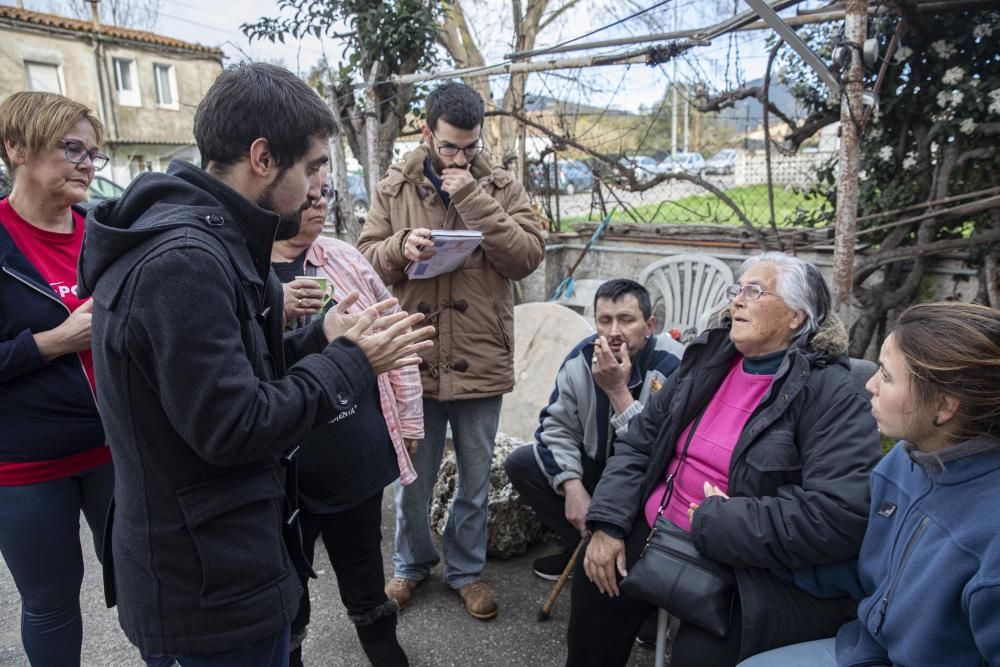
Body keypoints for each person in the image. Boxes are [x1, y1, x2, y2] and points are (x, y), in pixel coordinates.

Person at [78, 62, 433, 665]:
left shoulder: (209, 240)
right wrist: (351, 362)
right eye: (313, 165)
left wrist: (321, 335)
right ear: (263, 158)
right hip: (206, 591)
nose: (318, 187)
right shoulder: (183, 263)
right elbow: (233, 424)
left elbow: (230, 377)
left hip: (220, 565)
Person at [566, 251, 882, 667]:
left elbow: (839, 514)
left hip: (746, 561)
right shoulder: (708, 362)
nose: (736, 300)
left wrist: (722, 521)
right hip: (658, 526)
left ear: (797, 317)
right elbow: (640, 444)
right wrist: (607, 523)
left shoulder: (831, 394)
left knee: (700, 654)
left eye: (755, 291)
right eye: (737, 289)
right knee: (594, 588)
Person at [358, 80, 545, 620]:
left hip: (481, 353)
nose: (460, 156)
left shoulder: (501, 186)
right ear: (426, 132)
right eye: (449, 147)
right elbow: (365, 257)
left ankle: (466, 572)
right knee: (411, 476)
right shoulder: (394, 188)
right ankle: (411, 565)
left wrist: (470, 194)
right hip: (413, 351)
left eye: (470, 146)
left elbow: (527, 256)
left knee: (475, 476)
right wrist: (399, 246)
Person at [738, 302, 1000, 667]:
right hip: (864, 648)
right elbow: (864, 567)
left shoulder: (990, 541)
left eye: (887, 376)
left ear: (943, 406)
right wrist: (742, 545)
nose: (870, 385)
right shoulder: (904, 462)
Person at [271, 176, 421, 666]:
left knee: (365, 580)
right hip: (285, 475)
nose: (318, 207)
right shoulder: (242, 269)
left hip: (357, 458)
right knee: (286, 595)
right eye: (308, 196)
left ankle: (386, 652)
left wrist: (409, 421)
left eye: (326, 195)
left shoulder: (342, 258)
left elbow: (396, 336)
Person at [0, 91, 114, 666]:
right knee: (50, 604)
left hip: (114, 449)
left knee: (152, 583)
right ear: (15, 147)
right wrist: (53, 343)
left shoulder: (104, 232)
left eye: (94, 153)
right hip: (25, 467)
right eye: (72, 148)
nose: (87, 163)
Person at [504, 279, 681, 580]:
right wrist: (572, 487)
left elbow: (661, 450)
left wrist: (617, 391)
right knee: (522, 463)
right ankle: (581, 548)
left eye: (626, 320)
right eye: (605, 320)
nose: (613, 332)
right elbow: (554, 429)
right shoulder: (581, 360)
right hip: (597, 466)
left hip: (649, 478)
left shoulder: (674, 365)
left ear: (649, 324)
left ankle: (638, 569)